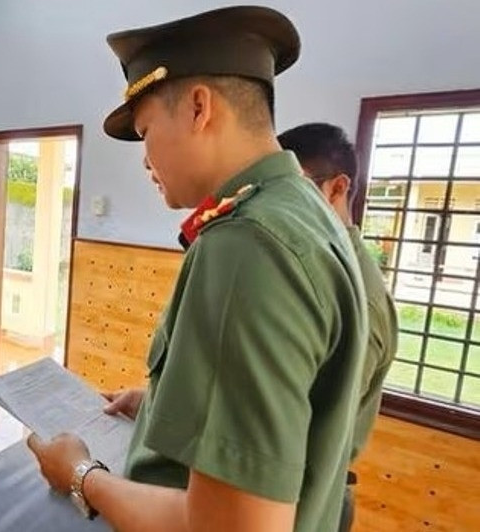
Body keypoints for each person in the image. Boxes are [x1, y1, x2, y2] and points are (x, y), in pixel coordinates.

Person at [27, 6, 368, 532]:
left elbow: (236, 526)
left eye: (145, 131)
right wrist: (158, 403)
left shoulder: (247, 245)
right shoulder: (306, 213)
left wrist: (79, 474)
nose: (146, 160)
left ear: (198, 107)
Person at [278, 122, 399, 531]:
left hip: (305, 501)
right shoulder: (304, 267)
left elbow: (302, 427)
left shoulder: (357, 296)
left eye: (292, 192)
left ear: (337, 188)